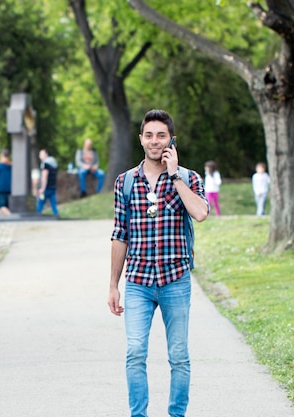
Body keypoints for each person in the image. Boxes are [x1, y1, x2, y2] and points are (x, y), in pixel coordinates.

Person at [108, 109, 209, 417]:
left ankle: (176, 414)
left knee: (178, 355)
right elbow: (119, 234)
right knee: (135, 353)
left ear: (171, 140)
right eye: (149, 135)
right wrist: (113, 285)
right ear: (141, 139)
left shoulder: (189, 178)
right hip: (138, 281)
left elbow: (201, 212)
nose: (154, 141)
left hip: (174, 280)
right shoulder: (125, 182)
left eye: (161, 135)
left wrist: (174, 174)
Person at [36, 149, 59, 216]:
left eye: (41, 154)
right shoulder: (54, 163)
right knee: (53, 205)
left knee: (40, 204)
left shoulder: (45, 164)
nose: (40, 156)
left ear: (46, 154)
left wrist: (42, 188)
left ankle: (37, 216)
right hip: (53, 186)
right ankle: (56, 216)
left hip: (46, 188)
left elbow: (44, 176)